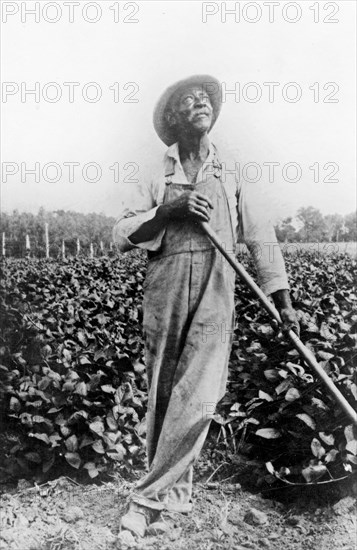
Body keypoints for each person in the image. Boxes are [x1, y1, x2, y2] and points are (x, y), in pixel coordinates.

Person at [112, 75, 299, 537]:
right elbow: (120, 234)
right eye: (187, 101)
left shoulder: (232, 167)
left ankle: (144, 500)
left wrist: (283, 300)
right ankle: (173, 498)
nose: (199, 103)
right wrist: (166, 211)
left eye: (204, 98)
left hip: (219, 281)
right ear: (173, 118)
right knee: (163, 389)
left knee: (199, 397)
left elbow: (260, 235)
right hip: (166, 282)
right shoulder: (156, 170)